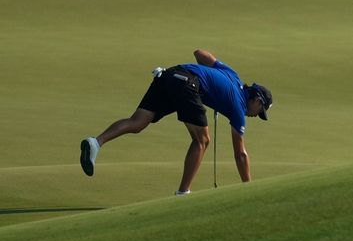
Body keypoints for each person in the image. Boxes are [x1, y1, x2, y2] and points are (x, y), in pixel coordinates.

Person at [80, 49, 273, 195]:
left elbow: (200, 53)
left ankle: (96, 142)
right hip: (188, 84)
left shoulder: (233, 74)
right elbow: (240, 154)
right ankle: (183, 194)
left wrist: (214, 86)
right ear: (256, 100)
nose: (256, 115)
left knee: (138, 122)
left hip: (169, 75)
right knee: (202, 141)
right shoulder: (239, 108)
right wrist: (249, 189)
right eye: (260, 110)